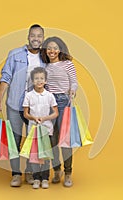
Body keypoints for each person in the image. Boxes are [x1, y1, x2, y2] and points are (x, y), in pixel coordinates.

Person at [0, 24, 45, 187]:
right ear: (28, 37)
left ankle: (29, 172)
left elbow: (50, 81)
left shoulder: (45, 58)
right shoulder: (14, 54)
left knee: (32, 140)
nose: (35, 38)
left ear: (43, 39)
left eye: (39, 36)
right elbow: (6, 77)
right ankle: (16, 174)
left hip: (35, 107)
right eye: (33, 35)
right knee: (14, 140)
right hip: (15, 104)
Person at [41, 36, 78, 187]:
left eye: (55, 48)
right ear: (46, 50)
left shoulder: (67, 64)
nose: (52, 51)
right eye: (49, 48)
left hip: (63, 101)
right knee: (52, 140)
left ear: (60, 49)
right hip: (49, 103)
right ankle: (57, 170)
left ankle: (68, 173)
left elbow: (74, 81)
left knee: (65, 140)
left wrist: (73, 91)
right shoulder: (44, 67)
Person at [22, 67, 58, 189]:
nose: (39, 81)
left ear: (46, 80)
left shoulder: (49, 95)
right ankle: (36, 178)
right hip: (33, 130)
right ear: (32, 81)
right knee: (35, 155)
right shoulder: (28, 95)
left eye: (42, 78)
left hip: (47, 129)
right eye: (36, 78)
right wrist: (34, 118)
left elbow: (55, 113)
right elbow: (25, 113)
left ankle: (45, 178)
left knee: (45, 155)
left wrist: (44, 118)